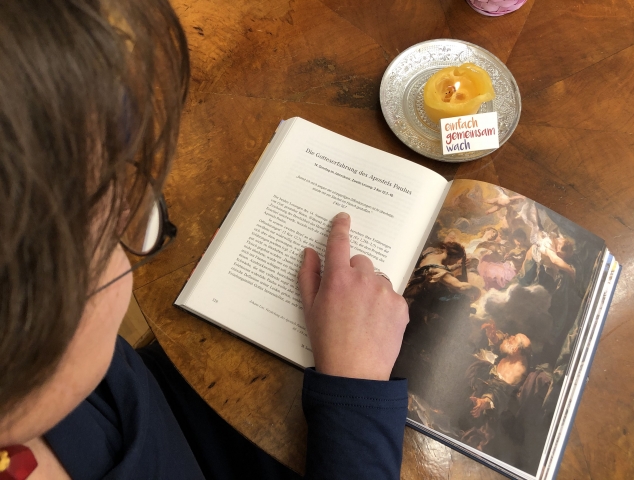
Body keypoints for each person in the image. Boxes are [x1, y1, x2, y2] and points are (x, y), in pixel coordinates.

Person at [0, 1, 409, 479]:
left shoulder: (51, 387)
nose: (133, 228)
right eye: (113, 234)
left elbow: (135, 400)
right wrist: (357, 392)